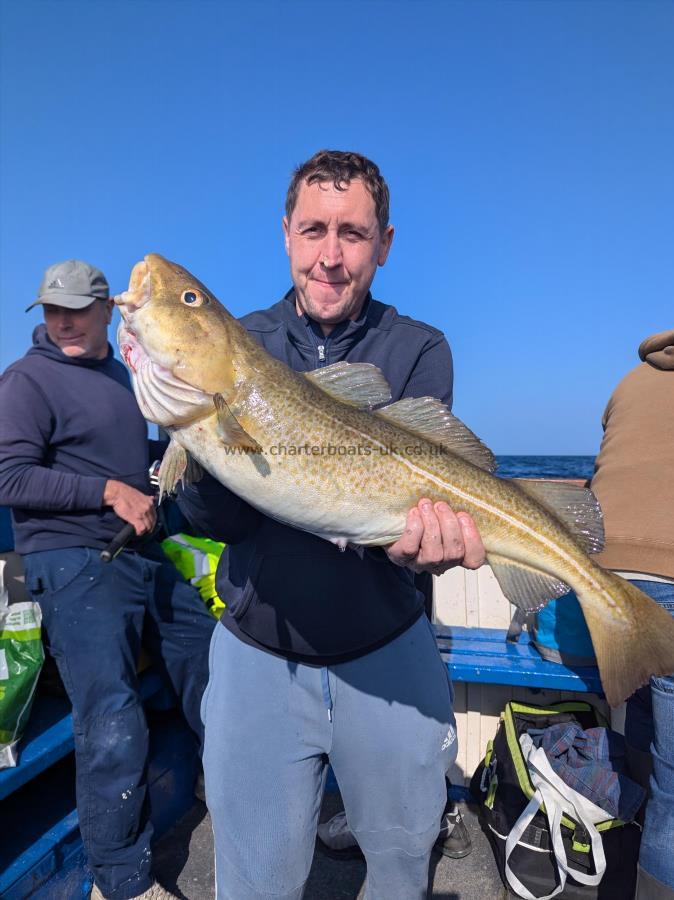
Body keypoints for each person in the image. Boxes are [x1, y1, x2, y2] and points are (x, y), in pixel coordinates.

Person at [177, 150, 486, 899]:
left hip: (386, 645)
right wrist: (189, 427)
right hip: (259, 648)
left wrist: (432, 552)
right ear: (285, 234)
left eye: (352, 233)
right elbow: (201, 516)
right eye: (313, 229)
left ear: (383, 243)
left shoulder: (417, 348)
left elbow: (412, 523)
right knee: (252, 877)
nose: (329, 256)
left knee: (402, 867)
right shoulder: (240, 343)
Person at [0, 260, 217, 900]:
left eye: (76, 309)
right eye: (52, 310)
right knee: (113, 714)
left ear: (109, 311)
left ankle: (226, 783)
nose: (63, 321)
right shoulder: (26, 382)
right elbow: (8, 478)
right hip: (68, 560)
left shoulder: (122, 375)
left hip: (138, 556)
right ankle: (119, 881)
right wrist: (107, 491)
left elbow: (132, 461)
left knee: (211, 652)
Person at [589, 329, 674, 900]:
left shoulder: (630, 381)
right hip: (669, 571)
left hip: (605, 571)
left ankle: (633, 860)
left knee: (644, 729)